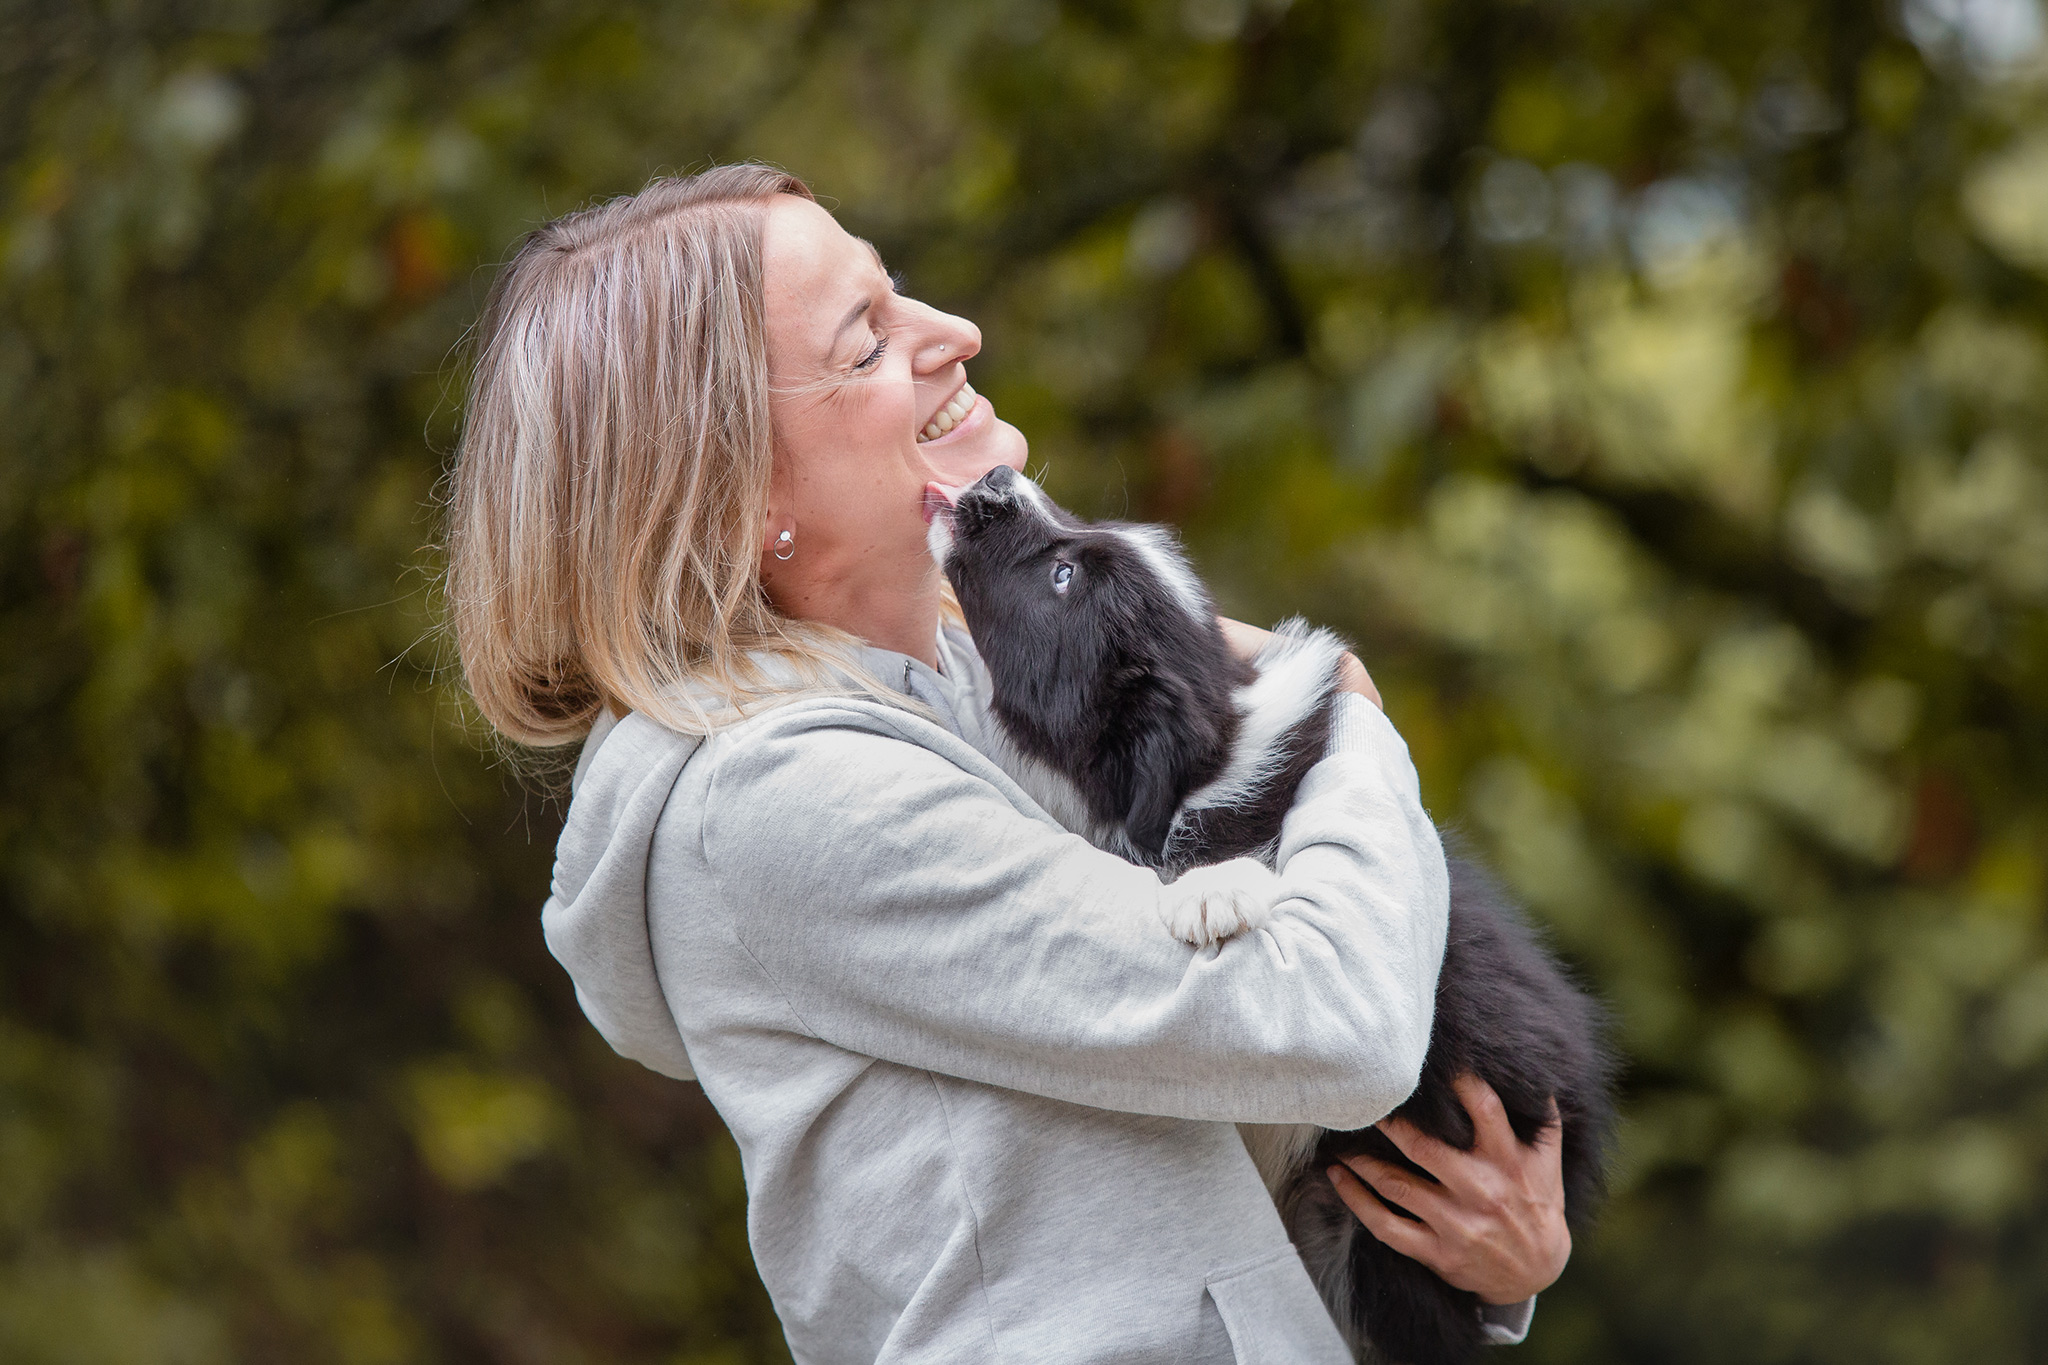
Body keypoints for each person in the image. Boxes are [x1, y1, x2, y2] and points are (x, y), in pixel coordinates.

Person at [445, 164, 1569, 1364]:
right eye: (864, 342)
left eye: (901, 294)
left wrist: (1467, 1270)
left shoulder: (969, 683)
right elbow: (1325, 1021)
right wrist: (1338, 709)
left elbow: (1229, 1137)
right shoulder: (777, 802)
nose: (954, 336)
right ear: (728, 494)